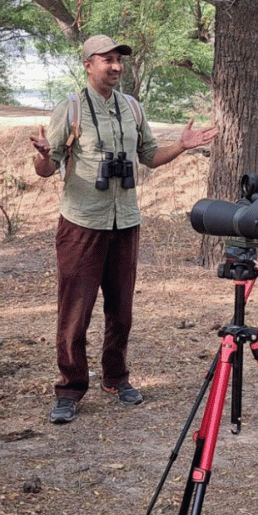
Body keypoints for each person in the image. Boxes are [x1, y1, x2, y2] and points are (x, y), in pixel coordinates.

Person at [30, 35, 217, 424]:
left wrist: (181, 146)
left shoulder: (132, 106)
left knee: (122, 311)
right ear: (88, 65)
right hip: (82, 223)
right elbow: (49, 169)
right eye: (107, 60)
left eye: (118, 61)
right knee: (74, 312)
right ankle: (70, 388)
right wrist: (44, 158)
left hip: (125, 222)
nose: (115, 67)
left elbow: (149, 156)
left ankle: (116, 378)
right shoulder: (72, 108)